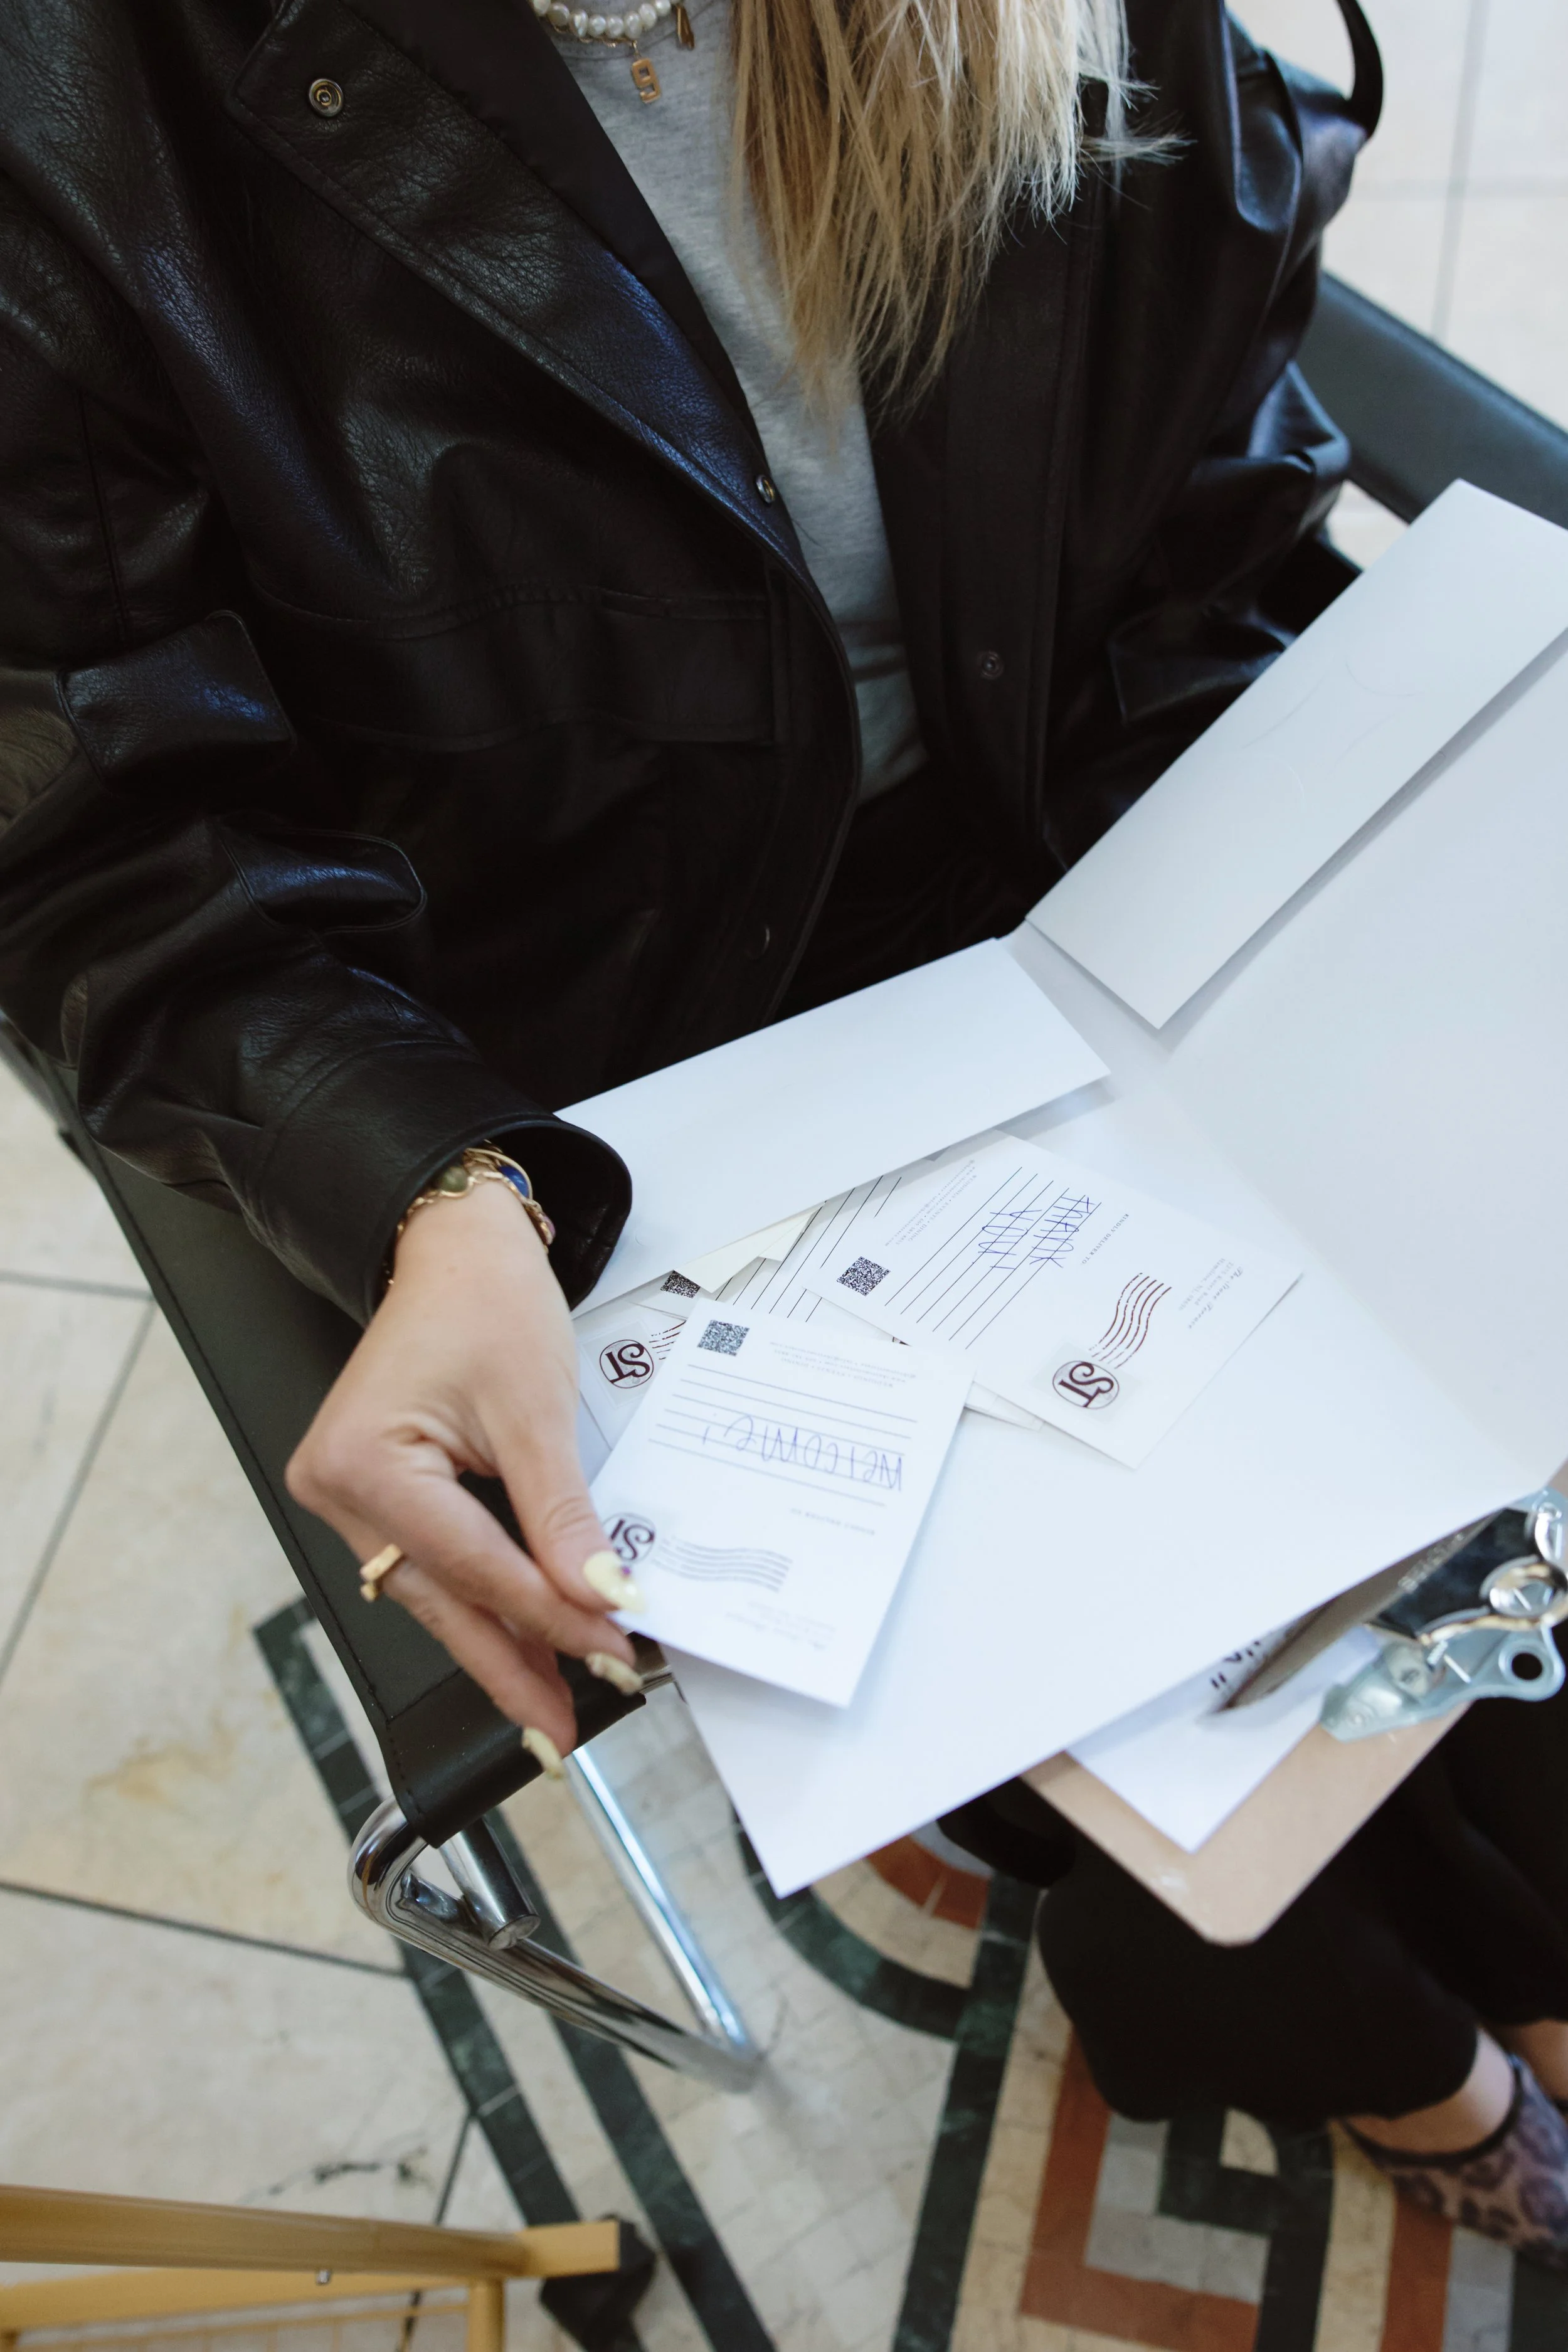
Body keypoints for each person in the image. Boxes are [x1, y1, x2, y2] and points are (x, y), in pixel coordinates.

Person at [4, 0, 1564, 2267]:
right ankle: (1382, 2058)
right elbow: (106, 849)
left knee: (1445, 1453)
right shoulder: (68, 115)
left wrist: (1310, 910)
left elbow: (1199, 452)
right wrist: (434, 1184)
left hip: (1107, 799)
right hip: (601, 1038)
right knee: (1096, 1721)